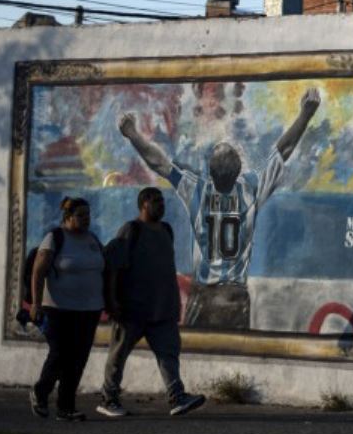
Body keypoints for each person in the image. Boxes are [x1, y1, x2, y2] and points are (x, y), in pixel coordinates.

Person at [117, 87, 320, 329]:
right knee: (236, 356)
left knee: (195, 353)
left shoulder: (197, 190)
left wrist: (133, 135)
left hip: (204, 292)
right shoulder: (250, 189)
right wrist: (305, 115)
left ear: (210, 172)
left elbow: (158, 162)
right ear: (238, 173)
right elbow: (282, 150)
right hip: (235, 294)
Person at [96, 186, 205, 418]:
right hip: (132, 309)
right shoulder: (131, 230)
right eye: (156, 201)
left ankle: (177, 398)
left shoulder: (166, 230)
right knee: (118, 355)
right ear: (143, 204)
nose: (161, 205)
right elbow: (114, 268)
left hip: (162, 308)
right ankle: (109, 399)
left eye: (162, 201)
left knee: (169, 354)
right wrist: (113, 301)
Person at [28, 197, 105, 422]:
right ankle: (41, 391)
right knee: (60, 354)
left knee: (78, 358)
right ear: (68, 217)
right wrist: (35, 304)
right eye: (80, 215)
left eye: (88, 215)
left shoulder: (92, 239)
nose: (86, 220)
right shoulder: (54, 238)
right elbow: (38, 271)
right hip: (58, 309)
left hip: (89, 309)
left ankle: (66, 407)